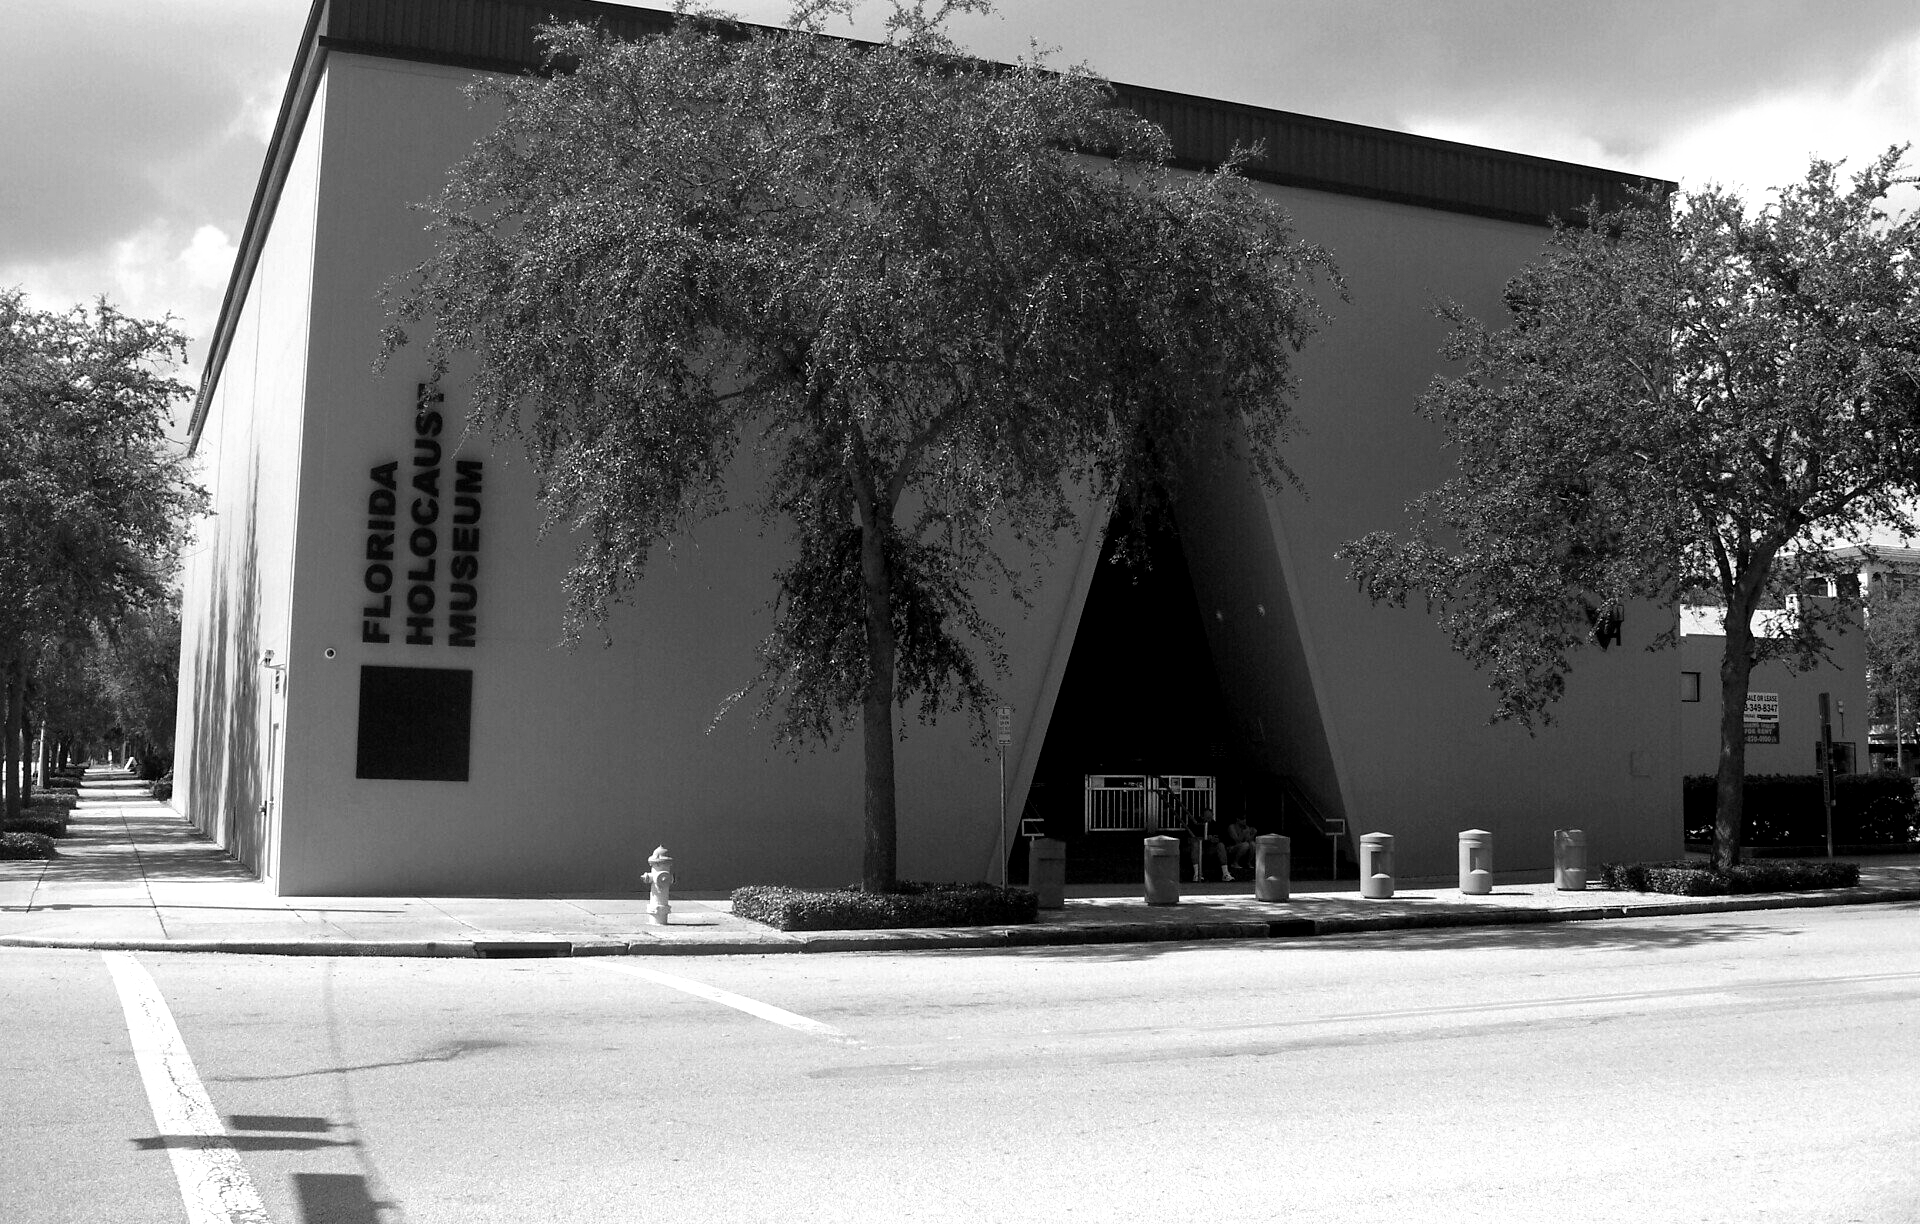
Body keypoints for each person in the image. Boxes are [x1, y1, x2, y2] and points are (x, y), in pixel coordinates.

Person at [1176, 790, 1234, 883]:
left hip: (1210, 848)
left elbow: (1223, 838)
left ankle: (1225, 873)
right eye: (1207, 818)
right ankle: (1197, 874)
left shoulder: (1215, 824)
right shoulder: (1194, 824)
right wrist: (1204, 839)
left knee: (1221, 845)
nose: (1209, 820)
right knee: (1195, 845)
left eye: (1211, 817)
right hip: (1197, 848)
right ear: (1201, 816)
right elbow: (1187, 839)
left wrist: (1216, 840)